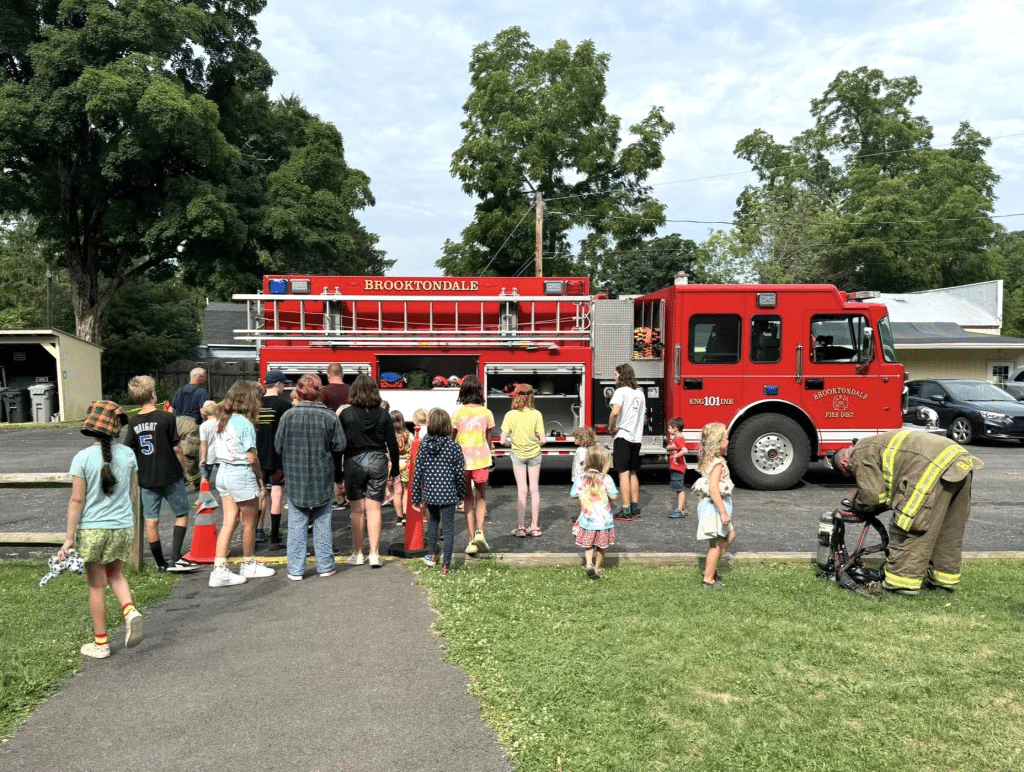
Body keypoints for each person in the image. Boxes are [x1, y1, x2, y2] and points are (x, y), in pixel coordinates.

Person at [831, 429, 983, 595]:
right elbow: (888, 489)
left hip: (930, 465)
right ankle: (943, 581)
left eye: (849, 474)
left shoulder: (858, 454)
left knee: (909, 524)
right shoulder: (875, 443)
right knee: (946, 529)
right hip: (958, 458)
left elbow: (873, 496)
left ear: (845, 462)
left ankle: (901, 584)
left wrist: (858, 505)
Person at [58, 400, 145, 659]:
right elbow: (131, 489)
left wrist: (69, 538)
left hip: (93, 530)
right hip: (122, 527)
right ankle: (130, 611)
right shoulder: (128, 455)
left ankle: (101, 643)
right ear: (116, 428)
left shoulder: (82, 458)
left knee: (97, 586)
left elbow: (77, 500)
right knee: (116, 574)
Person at [274, 374, 347, 580]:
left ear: (298, 391)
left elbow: (278, 446)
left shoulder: (288, 416)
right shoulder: (330, 417)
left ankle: (296, 569)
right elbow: (340, 445)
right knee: (322, 523)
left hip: (296, 476)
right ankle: (325, 566)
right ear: (319, 391)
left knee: (297, 524)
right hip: (322, 475)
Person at [124, 375, 199, 573]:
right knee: (182, 513)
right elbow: (177, 448)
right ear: (153, 395)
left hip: (147, 478)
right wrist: (185, 471)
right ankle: (175, 557)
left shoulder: (133, 422)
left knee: (151, 519)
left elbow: (129, 450)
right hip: (170, 474)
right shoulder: (166, 418)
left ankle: (160, 564)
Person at [208, 380, 275, 587]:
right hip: (241, 474)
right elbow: (252, 457)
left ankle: (219, 569)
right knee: (249, 522)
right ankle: (249, 563)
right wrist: (260, 477)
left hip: (223, 474)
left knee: (229, 521)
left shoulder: (222, 420)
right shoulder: (245, 424)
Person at [339, 374, 399, 567]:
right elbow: (393, 444)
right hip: (378, 459)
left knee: (357, 511)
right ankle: (374, 553)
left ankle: (357, 553)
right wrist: (395, 468)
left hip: (353, 460)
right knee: (374, 508)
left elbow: (338, 445)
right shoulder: (383, 415)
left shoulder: (346, 415)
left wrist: (336, 471)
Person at [412, 408, 466, 576]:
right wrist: (461, 494)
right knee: (449, 529)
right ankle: (446, 567)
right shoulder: (454, 447)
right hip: (449, 493)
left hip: (431, 492)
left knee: (433, 521)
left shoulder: (424, 447)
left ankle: (432, 555)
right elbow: (459, 474)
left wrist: (416, 497)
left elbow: (417, 473)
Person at [452, 374, 494, 555]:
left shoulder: (458, 413)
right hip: (481, 459)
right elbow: (489, 440)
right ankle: (480, 532)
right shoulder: (486, 413)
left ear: (463, 392)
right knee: (481, 496)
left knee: (467, 499)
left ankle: (470, 540)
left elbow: (452, 439)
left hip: (463, 461)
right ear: (479, 391)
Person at [693, 422, 736, 590]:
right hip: (713, 507)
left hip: (710, 505)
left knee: (730, 535)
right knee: (716, 544)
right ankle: (708, 579)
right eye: (726, 439)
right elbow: (713, 489)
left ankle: (710, 569)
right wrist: (723, 512)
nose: (728, 441)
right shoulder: (717, 463)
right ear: (717, 442)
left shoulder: (708, 459)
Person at [500, 383, 546, 538]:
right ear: (531, 396)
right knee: (534, 489)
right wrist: (535, 443)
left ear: (516, 396)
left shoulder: (510, 415)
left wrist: (512, 444)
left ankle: (520, 528)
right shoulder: (537, 414)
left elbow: (502, 441)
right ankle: (534, 527)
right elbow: (543, 440)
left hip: (518, 455)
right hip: (534, 455)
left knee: (522, 490)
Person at [256, 370, 292, 548]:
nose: (284, 387)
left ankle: (256, 530)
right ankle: (275, 537)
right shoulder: (285, 405)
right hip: (279, 457)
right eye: (283, 384)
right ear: (277, 384)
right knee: (276, 493)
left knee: (260, 492)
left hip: (257, 457)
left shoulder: (254, 404)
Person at [572, 444, 618, 579]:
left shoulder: (580, 479)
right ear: (604, 463)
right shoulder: (607, 479)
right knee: (601, 546)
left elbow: (572, 494)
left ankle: (588, 563)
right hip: (604, 522)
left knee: (588, 544)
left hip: (587, 520)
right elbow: (614, 496)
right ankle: (598, 568)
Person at [608, 362, 646, 521]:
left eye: (616, 375)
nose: (614, 377)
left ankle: (625, 510)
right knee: (632, 472)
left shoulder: (620, 391)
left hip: (623, 435)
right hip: (637, 438)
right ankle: (635, 507)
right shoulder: (640, 393)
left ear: (622, 376)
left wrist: (611, 428)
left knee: (622, 472)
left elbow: (615, 412)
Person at [168, 367, 208, 484]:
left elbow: (170, 409)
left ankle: (197, 483)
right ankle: (181, 480)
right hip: (191, 424)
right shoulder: (202, 392)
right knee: (189, 455)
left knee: (187, 454)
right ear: (199, 377)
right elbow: (203, 411)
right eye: (205, 376)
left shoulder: (180, 390)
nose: (205, 379)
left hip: (177, 422)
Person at [666, 417, 689, 519]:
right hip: (676, 467)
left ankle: (679, 511)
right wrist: (669, 448)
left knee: (679, 490)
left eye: (669, 428)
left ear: (675, 428)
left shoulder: (678, 439)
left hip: (677, 467)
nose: (668, 429)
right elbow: (668, 447)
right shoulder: (676, 439)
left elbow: (685, 450)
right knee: (678, 488)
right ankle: (683, 510)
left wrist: (675, 456)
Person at [391, 410, 411, 527]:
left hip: (394, 465)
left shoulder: (389, 435)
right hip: (406, 464)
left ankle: (398, 517)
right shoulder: (408, 434)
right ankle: (405, 515)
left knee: (397, 492)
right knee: (406, 491)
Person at [569, 426, 598, 498]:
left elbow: (584, 462)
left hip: (580, 476)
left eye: (576, 438)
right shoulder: (589, 449)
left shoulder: (581, 450)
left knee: (573, 494)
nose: (574, 440)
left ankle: (584, 493)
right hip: (585, 476)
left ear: (582, 438)